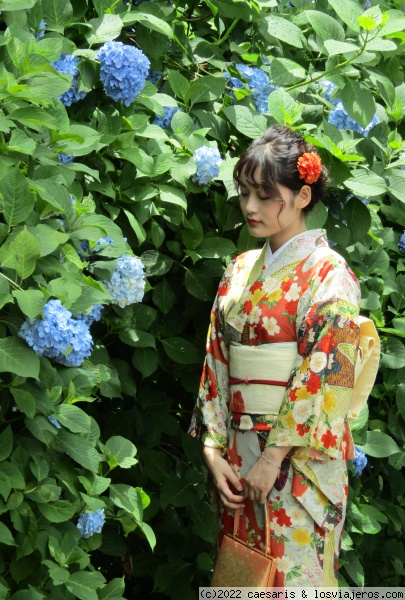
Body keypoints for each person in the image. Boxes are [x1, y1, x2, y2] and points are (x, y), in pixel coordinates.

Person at [189, 125, 379, 587]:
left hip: (296, 465)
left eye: (266, 195)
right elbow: (218, 356)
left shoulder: (329, 274)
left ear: (302, 195)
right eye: (245, 193)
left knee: (294, 580)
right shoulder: (240, 270)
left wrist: (273, 458)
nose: (251, 207)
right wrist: (214, 450)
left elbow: (329, 371)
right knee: (239, 576)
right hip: (237, 459)